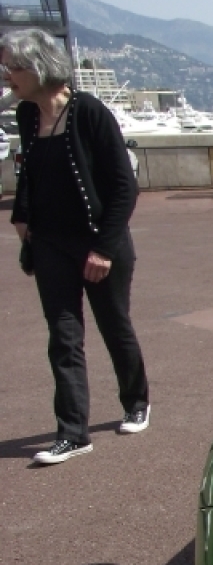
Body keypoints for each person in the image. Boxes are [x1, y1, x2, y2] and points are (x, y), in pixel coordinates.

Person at [3, 28, 150, 465]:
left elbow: (124, 188)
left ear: (39, 68)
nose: (7, 75)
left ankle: (136, 400)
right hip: (51, 244)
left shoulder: (89, 113)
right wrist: (23, 221)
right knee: (63, 337)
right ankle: (73, 432)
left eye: (13, 67)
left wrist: (103, 248)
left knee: (113, 324)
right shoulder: (29, 117)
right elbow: (30, 175)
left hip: (99, 242)